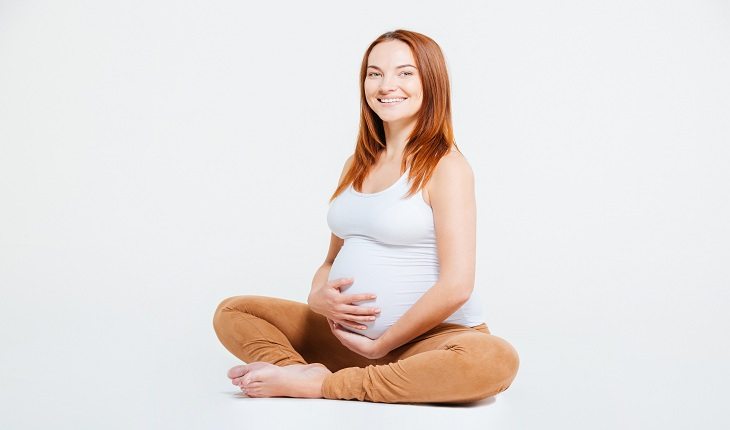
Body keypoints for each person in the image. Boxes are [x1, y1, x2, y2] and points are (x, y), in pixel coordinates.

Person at [212, 29, 520, 404]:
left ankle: (322, 386)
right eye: (375, 73)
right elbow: (330, 260)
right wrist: (317, 295)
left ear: (431, 82)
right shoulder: (355, 165)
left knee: (493, 360)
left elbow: (457, 285)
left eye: (405, 73)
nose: (387, 84)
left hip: (429, 343)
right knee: (234, 311)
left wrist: (383, 344)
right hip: (346, 340)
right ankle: (297, 370)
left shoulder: (447, 166)